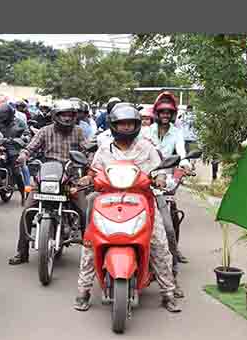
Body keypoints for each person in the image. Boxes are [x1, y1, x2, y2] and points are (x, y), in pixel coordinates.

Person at [74, 105, 181, 313]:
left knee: (159, 243)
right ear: (114, 126)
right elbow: (94, 171)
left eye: (129, 124)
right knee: (89, 243)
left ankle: (168, 292)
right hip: (108, 201)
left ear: (136, 126)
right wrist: (86, 178)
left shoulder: (147, 148)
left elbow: (159, 170)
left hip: (142, 201)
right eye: (122, 124)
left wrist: (159, 179)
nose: (125, 128)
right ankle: (83, 291)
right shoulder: (104, 149)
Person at [8, 99, 88, 265]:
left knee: (84, 211)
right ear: (55, 116)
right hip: (47, 175)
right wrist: (23, 156)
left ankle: (90, 254)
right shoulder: (45, 131)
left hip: (70, 177)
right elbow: (30, 148)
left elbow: (87, 150)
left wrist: (89, 161)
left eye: (70, 115)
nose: (66, 118)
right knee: (28, 211)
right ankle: (22, 253)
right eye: (63, 115)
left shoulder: (79, 131)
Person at [146, 91, 191, 264]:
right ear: (156, 114)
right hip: (148, 176)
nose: (165, 115)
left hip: (166, 178)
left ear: (172, 115)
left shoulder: (177, 133)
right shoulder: (147, 131)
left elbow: (181, 152)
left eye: (168, 113)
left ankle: (174, 250)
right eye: (162, 112)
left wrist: (185, 165)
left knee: (169, 222)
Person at [0, 102, 28, 229]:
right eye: (0, 116)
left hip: (13, 149)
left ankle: (23, 194)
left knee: (16, 171)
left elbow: (27, 135)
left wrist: (20, 140)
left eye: (4, 116)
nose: (2, 119)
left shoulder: (19, 123)